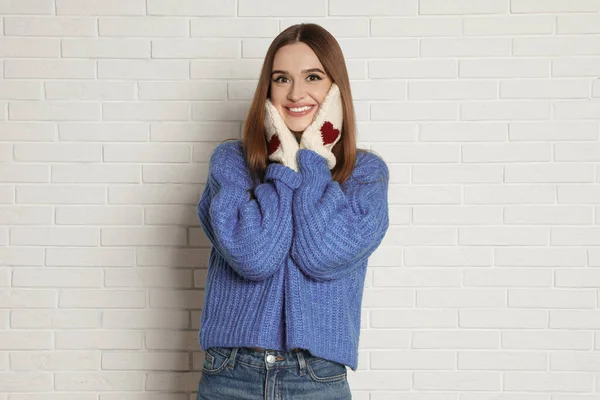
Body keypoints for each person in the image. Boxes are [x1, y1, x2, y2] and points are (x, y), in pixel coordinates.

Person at [195, 23, 390, 400]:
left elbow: (321, 255)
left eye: (313, 77)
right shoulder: (231, 163)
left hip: (316, 378)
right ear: (267, 90)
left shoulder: (365, 175)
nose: (295, 92)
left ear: (336, 91)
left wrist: (313, 158)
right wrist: (284, 165)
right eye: (281, 79)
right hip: (230, 375)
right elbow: (255, 256)